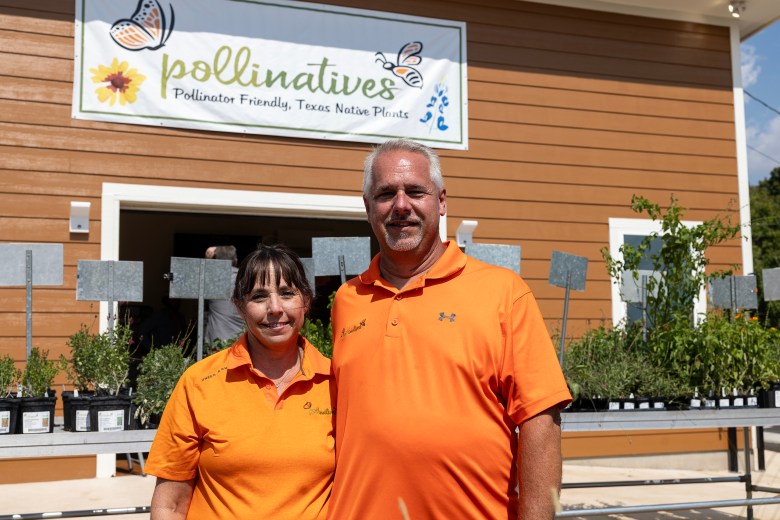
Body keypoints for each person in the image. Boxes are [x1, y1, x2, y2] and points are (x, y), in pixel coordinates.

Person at [328, 139, 572, 519]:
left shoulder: (503, 292)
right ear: (367, 207)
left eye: (415, 192)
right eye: (385, 193)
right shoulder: (347, 299)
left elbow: (540, 421)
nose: (401, 205)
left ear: (441, 202)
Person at [145, 244, 335, 520]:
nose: (275, 308)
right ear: (239, 306)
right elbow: (170, 505)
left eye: (286, 293)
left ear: (306, 300)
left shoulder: (335, 383)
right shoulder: (200, 382)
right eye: (259, 297)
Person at [204, 245, 245, 344]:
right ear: (235, 261)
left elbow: (201, 270)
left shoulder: (211, 279)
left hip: (217, 341)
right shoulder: (245, 278)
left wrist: (208, 258)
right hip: (242, 340)